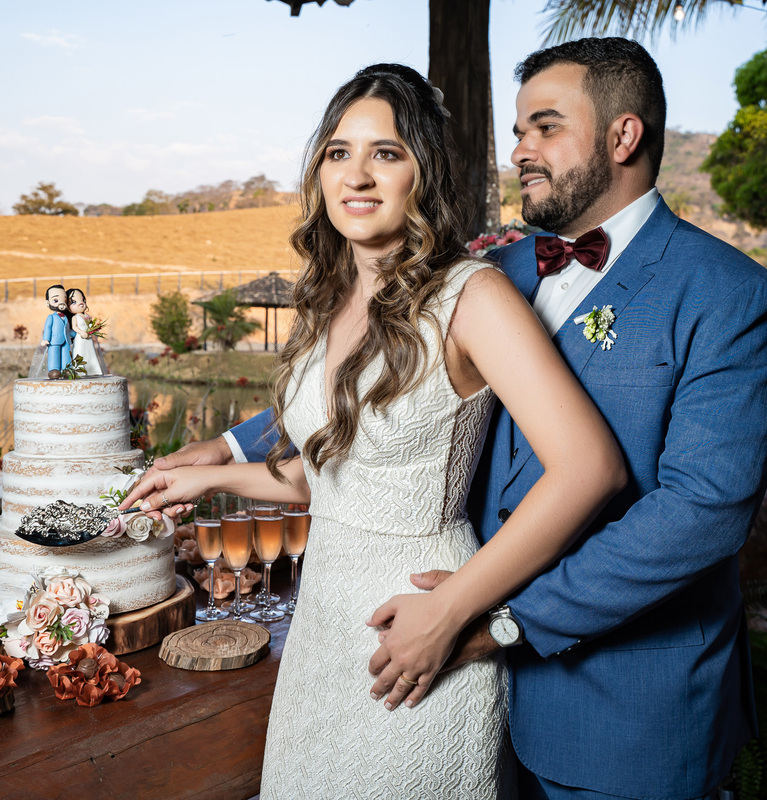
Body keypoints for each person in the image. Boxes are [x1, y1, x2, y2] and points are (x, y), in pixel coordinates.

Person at [148, 38, 767, 800]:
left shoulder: (727, 294)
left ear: (623, 136)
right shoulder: (497, 270)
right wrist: (220, 451)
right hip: (431, 646)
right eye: (518, 130)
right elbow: (369, 396)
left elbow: (701, 515)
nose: (519, 149)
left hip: (616, 705)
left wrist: (489, 620)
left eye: (545, 127)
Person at [122, 63, 625, 799]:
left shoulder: (471, 296)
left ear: (423, 171)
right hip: (320, 628)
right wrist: (206, 476)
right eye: (338, 152)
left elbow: (590, 468)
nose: (357, 174)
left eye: (385, 153)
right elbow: (329, 477)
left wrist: (451, 611)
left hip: (415, 628)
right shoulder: (327, 302)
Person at [67, 288, 106, 376]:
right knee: (80, 352)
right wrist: (81, 332)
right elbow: (74, 327)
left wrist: (94, 329)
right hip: (80, 338)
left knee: (90, 352)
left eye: (83, 300)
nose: (81, 303)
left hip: (88, 339)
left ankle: (93, 369)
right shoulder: (75, 317)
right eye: (74, 302)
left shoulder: (87, 316)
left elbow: (90, 326)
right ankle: (79, 371)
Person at [40, 284, 74, 379]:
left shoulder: (66, 317)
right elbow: (48, 328)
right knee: (54, 355)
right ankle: (54, 369)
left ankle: (67, 369)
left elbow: (67, 329)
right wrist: (46, 338)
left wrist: (76, 334)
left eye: (64, 300)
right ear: (48, 303)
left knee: (66, 355)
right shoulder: (51, 317)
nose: (61, 303)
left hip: (66, 341)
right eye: (56, 300)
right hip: (54, 341)